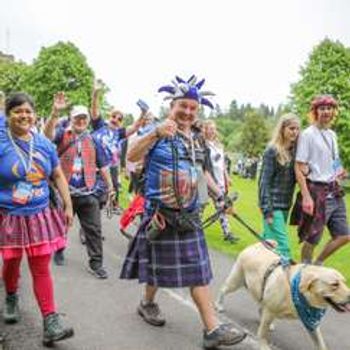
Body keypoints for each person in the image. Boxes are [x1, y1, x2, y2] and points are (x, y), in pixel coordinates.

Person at [120, 75, 246, 349]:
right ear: (172, 105)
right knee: (158, 268)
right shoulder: (156, 130)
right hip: (160, 215)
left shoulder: (198, 139)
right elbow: (130, 157)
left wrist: (219, 196)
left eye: (193, 107)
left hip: (189, 215)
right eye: (183, 106)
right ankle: (148, 303)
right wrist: (155, 133)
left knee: (197, 271)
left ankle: (211, 329)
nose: (187, 112)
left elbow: (200, 173)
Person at [0, 92, 74, 346]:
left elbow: (57, 174)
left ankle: (50, 322)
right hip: (9, 215)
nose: (24, 116)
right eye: (17, 111)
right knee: (11, 263)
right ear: (8, 114)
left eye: (28, 111)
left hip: (39, 214)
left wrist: (68, 204)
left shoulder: (43, 144)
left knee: (40, 268)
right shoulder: (1, 141)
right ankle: (11, 296)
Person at [44, 92, 113, 278]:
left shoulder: (94, 140)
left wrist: (111, 187)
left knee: (94, 230)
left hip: (88, 192)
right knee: (61, 225)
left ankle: (96, 263)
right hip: (64, 192)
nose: (81, 121)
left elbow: (104, 165)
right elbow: (46, 136)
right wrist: (54, 114)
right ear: (72, 119)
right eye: (78, 118)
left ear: (88, 120)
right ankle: (59, 250)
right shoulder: (61, 134)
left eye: (84, 118)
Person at [294, 95, 350, 264]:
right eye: (322, 108)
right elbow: (299, 166)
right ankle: (304, 270)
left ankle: (317, 264)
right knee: (312, 238)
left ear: (334, 111)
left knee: (344, 235)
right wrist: (306, 196)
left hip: (334, 191)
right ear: (315, 111)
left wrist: (340, 171)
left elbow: (334, 160)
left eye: (329, 108)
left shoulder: (332, 134)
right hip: (316, 191)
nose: (326, 112)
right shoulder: (307, 134)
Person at [90, 83, 142, 213]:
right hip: (91, 166)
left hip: (109, 168)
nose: (115, 120)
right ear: (109, 117)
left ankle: (99, 213)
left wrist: (143, 113)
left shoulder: (119, 133)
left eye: (119, 119)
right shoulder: (100, 126)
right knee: (90, 199)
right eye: (114, 116)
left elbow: (135, 127)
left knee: (103, 198)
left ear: (121, 123)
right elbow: (95, 110)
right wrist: (96, 94)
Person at [258, 113, 300, 260]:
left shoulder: (295, 152)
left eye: (297, 129)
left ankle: (255, 275)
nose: (295, 132)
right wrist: (267, 210)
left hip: (285, 206)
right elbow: (264, 182)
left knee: (269, 247)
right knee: (282, 246)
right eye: (291, 128)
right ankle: (286, 279)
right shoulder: (272, 151)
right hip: (273, 205)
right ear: (282, 129)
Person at [203, 120, 239, 243]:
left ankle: (227, 233)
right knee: (201, 206)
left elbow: (222, 164)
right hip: (207, 180)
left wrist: (227, 177)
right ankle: (196, 229)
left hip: (219, 181)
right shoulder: (203, 144)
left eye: (214, 128)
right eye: (210, 128)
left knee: (222, 207)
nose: (212, 131)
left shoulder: (218, 145)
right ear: (205, 130)